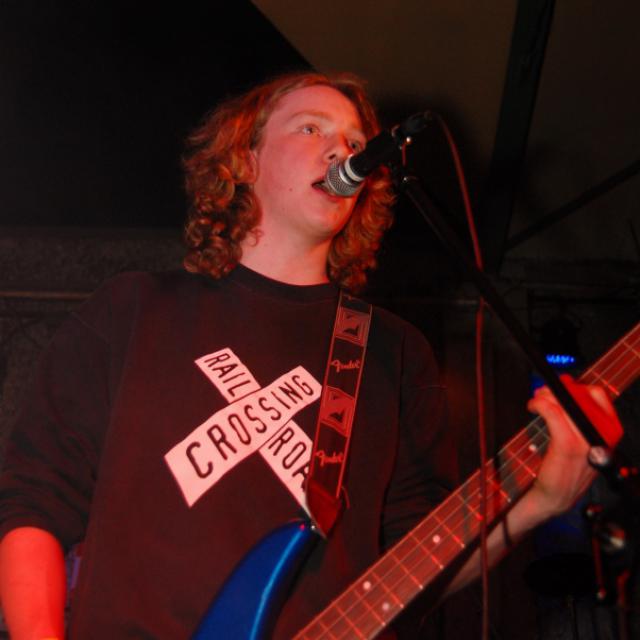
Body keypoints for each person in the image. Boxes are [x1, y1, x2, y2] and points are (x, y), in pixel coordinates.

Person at [0, 71, 621, 639]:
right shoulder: (134, 310)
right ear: (245, 160)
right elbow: (32, 503)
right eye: (310, 128)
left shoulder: (392, 352)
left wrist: (539, 504)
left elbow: (414, 566)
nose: (340, 150)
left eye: (355, 140)